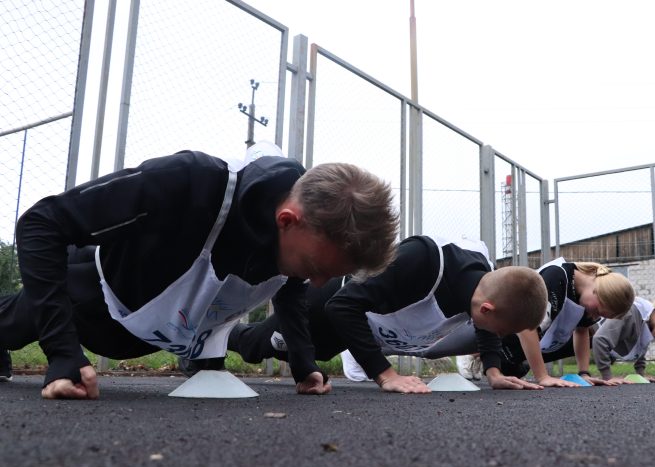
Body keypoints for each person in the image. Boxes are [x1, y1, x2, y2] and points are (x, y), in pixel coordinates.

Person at [0, 141, 399, 400]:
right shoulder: (189, 181)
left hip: (163, 332)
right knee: (13, 323)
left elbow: (290, 287)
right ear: (287, 219)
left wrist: (303, 363)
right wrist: (63, 351)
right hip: (92, 303)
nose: (318, 283)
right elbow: (42, 222)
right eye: (316, 268)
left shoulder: (302, 238)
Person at [227, 235, 550, 393]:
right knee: (256, 347)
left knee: (318, 355)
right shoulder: (421, 261)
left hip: (352, 327)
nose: (499, 337)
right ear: (487, 308)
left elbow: (485, 326)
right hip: (323, 307)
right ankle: (206, 337)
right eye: (503, 331)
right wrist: (387, 375)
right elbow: (341, 305)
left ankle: (204, 343)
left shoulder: (483, 286)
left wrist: (494, 372)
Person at [497, 258, 636, 387]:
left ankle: (516, 366)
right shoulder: (556, 276)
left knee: (591, 334)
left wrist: (584, 374)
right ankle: (482, 360)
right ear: (597, 291)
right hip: (495, 340)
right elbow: (526, 328)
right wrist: (543, 377)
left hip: (516, 354)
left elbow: (582, 331)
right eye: (598, 311)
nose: (594, 317)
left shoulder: (584, 297)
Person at [592, 297, 655, 384]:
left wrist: (640, 376)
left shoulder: (648, 324)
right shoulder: (631, 312)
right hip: (582, 334)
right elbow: (600, 340)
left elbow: (640, 348)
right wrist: (608, 377)